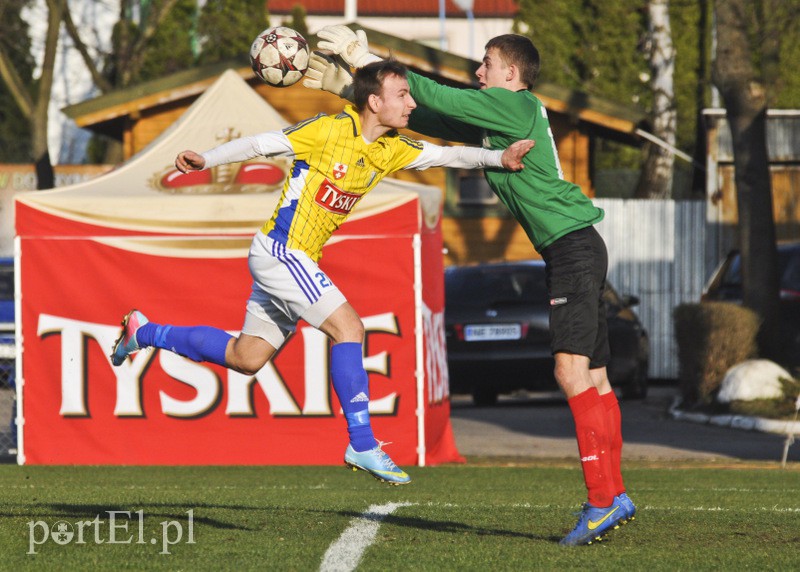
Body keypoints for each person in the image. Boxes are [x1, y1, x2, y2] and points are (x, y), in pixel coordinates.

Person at [111, 59, 534, 487]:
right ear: (374, 101)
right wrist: (206, 159)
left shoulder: (391, 149)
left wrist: (499, 157)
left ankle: (143, 332)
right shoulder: (329, 131)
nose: (411, 102)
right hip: (282, 251)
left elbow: (448, 154)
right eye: (402, 95)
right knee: (349, 328)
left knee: (246, 357)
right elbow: (261, 144)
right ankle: (363, 443)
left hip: (295, 259)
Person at [312, 26, 635, 543]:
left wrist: (363, 56)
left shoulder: (514, 105)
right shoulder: (500, 118)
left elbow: (438, 96)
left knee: (571, 373)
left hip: (573, 249)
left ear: (511, 74)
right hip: (575, 247)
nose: (478, 71)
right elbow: (432, 116)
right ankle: (612, 494)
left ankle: (601, 500)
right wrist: (350, 86)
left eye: (486, 63)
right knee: (594, 378)